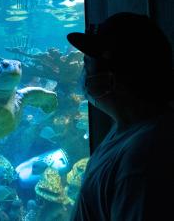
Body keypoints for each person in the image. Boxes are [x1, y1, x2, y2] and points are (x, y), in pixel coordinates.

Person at [67, 12, 174, 221]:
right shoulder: (126, 128)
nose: (84, 71)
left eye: (88, 64)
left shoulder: (143, 156)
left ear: (114, 77)